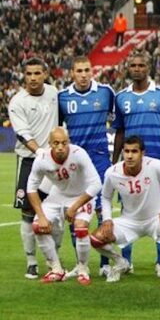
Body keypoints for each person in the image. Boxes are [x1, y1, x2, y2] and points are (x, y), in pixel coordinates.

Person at [89, 136, 160, 283]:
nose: (130, 156)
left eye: (134, 151)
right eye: (127, 151)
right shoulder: (112, 173)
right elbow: (105, 197)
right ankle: (120, 262)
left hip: (155, 220)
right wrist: (107, 219)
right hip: (128, 222)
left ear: (142, 153)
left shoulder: (154, 166)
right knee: (95, 238)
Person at [111, 52, 160, 276]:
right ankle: (126, 262)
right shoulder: (121, 97)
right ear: (128, 68)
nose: (137, 68)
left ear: (148, 67)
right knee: (126, 211)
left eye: (141, 65)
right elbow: (119, 130)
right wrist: (114, 162)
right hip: (128, 167)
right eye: (133, 65)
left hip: (155, 165)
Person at [58, 56, 117, 277]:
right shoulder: (62, 98)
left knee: (103, 211)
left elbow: (116, 118)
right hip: (75, 164)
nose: (83, 74)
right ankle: (80, 264)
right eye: (79, 70)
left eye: (87, 70)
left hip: (100, 159)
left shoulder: (105, 92)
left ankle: (105, 264)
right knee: (74, 212)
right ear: (72, 73)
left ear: (92, 71)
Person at [27, 128, 102, 284]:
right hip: (58, 195)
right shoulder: (41, 158)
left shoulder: (78, 153)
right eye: (56, 143)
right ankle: (56, 269)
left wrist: (74, 207)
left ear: (68, 142)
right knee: (37, 226)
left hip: (82, 195)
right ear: (49, 144)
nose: (60, 147)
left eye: (64, 142)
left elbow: (96, 185)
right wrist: (41, 217)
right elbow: (31, 188)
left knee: (80, 228)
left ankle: (83, 269)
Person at [8, 58, 59, 279]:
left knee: (56, 212)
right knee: (28, 212)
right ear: (24, 75)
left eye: (37, 73)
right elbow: (22, 132)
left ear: (45, 74)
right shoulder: (17, 101)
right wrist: (40, 152)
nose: (33, 78)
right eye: (28, 74)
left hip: (54, 162)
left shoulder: (54, 93)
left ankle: (54, 262)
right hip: (29, 160)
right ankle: (31, 262)